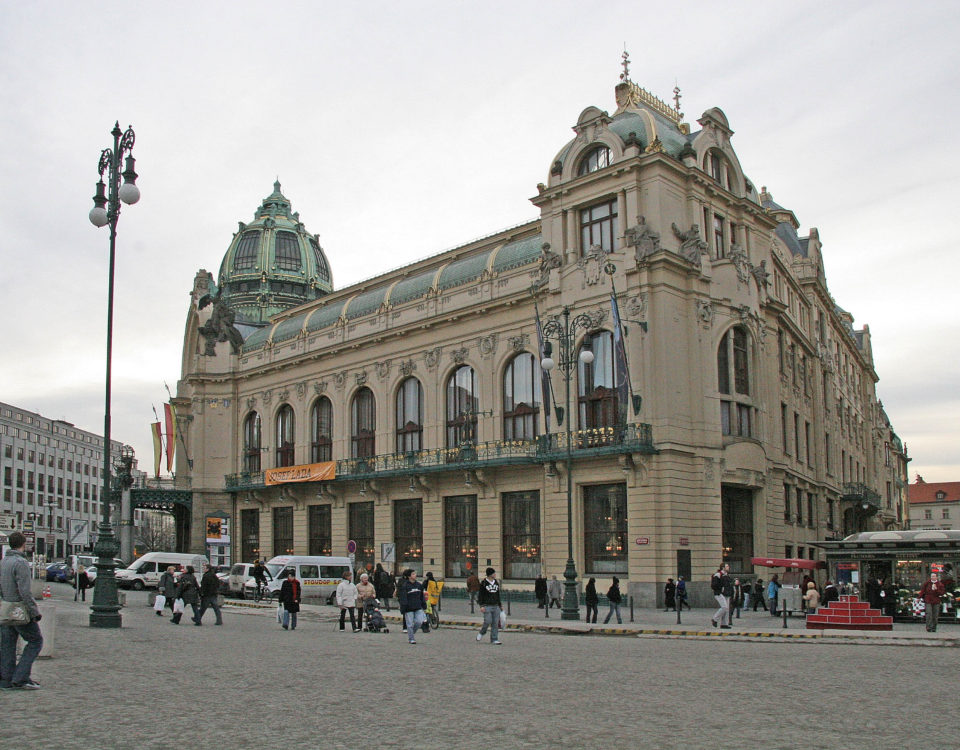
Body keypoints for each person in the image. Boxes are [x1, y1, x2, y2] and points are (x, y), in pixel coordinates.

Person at [0, 531, 43, 690]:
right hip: (19, 610)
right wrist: (34, 612)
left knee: (7, 645)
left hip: (6, 608)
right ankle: (21, 677)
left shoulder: (3, 562)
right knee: (35, 641)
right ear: (23, 544)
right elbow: (25, 591)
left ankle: (6, 679)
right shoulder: (21, 563)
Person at [397, 568, 427, 644]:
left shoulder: (419, 585)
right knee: (409, 624)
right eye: (413, 574)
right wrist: (403, 607)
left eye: (415, 574)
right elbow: (403, 597)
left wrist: (424, 605)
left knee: (419, 622)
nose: (415, 575)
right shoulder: (405, 586)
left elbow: (421, 596)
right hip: (408, 608)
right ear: (409, 576)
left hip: (418, 606)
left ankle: (412, 632)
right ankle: (411, 639)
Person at [476, 567, 503, 645]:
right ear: (490, 574)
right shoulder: (484, 583)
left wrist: (500, 605)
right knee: (487, 621)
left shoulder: (496, 582)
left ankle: (494, 639)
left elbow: (498, 595)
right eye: (494, 573)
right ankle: (482, 632)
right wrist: (481, 605)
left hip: (496, 605)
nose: (495, 574)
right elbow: (480, 595)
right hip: (487, 605)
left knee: (495, 623)